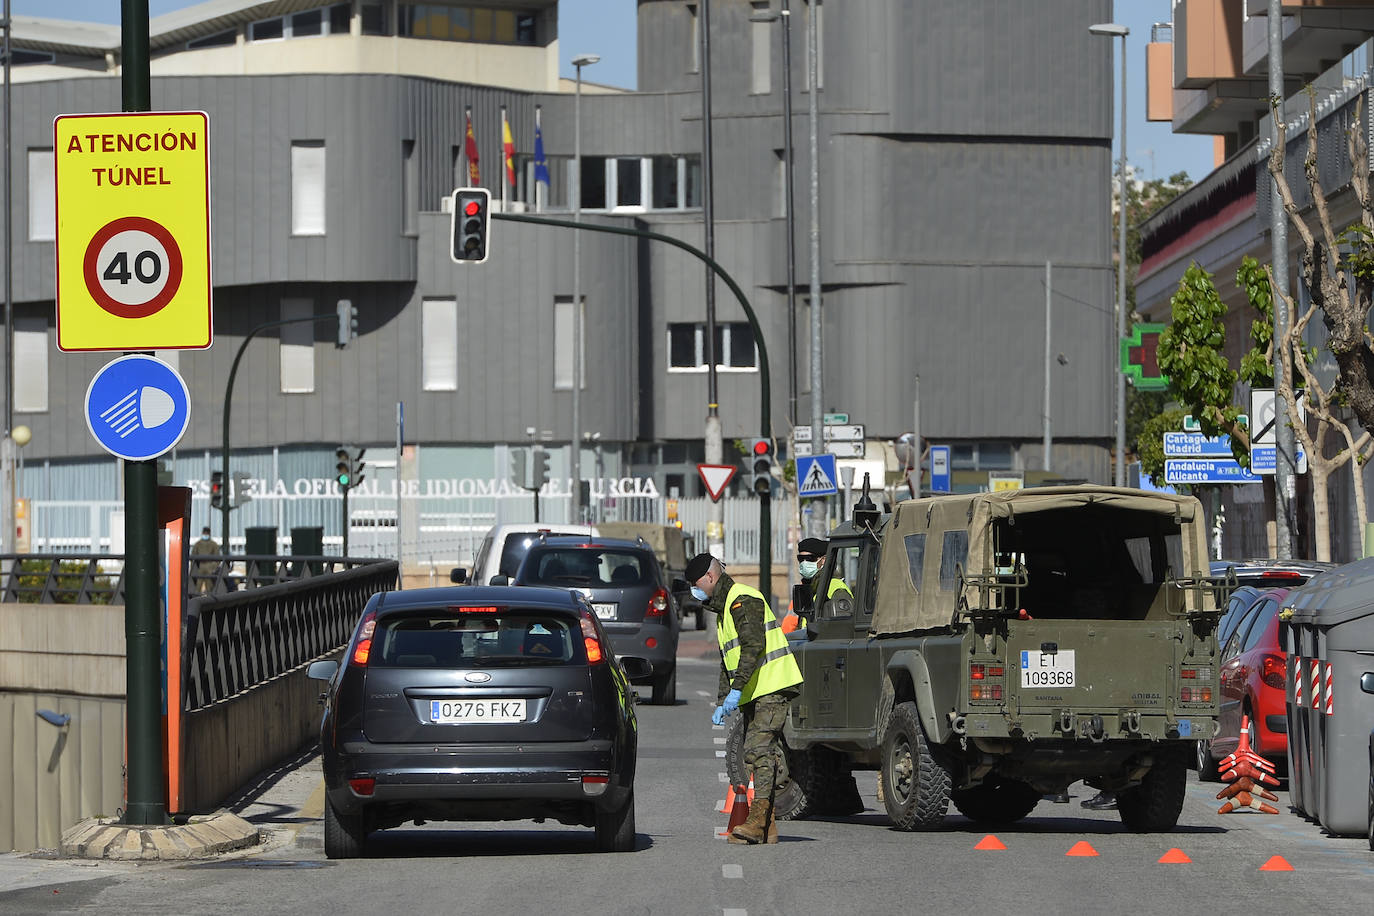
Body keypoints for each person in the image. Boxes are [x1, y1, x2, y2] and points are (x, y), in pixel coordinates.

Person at [687, 552, 803, 845]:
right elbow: (729, 659)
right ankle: (767, 826)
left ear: (711, 578)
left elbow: (753, 646)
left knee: (758, 750)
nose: (694, 590)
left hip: (772, 685)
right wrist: (723, 700)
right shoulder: (725, 608)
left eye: (696, 583)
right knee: (759, 755)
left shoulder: (741, 599)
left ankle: (757, 820)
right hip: (757, 689)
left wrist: (737, 690)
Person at [190, 526, 221, 594]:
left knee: (209, 586)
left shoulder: (213, 544)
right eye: (204, 533)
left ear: (209, 534)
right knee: (197, 586)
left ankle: (208, 599)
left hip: (209, 566)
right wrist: (194, 567)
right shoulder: (198, 544)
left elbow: (217, 557)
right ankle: (196, 598)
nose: (205, 535)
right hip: (200, 566)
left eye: (207, 533)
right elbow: (193, 556)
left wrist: (213, 566)